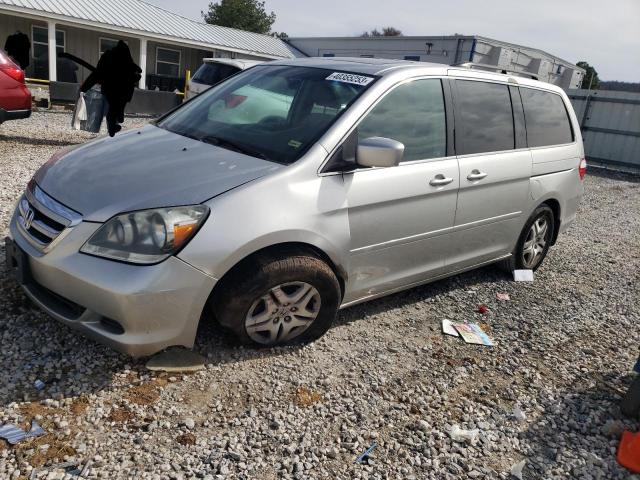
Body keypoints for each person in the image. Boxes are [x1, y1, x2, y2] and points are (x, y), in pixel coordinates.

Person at [80, 41, 142, 137]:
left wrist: (84, 87)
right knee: (117, 107)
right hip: (123, 91)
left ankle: (114, 125)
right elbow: (137, 72)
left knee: (113, 109)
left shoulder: (108, 57)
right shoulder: (127, 59)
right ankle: (117, 119)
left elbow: (96, 74)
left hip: (111, 90)